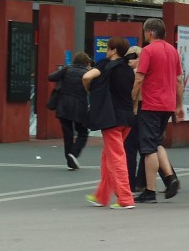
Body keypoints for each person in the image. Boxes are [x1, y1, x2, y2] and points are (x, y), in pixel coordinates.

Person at [132, 18, 183, 203]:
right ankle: (170, 178)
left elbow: (139, 79)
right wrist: (179, 104)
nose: (144, 35)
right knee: (156, 142)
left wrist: (132, 100)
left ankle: (150, 190)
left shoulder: (148, 51)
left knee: (148, 148)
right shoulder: (173, 51)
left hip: (151, 104)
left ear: (151, 33)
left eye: (145, 31)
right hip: (168, 104)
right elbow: (178, 80)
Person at [81, 37, 136, 209]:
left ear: (113, 50)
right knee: (108, 157)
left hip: (111, 117)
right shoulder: (128, 69)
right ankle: (101, 196)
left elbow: (86, 76)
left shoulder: (105, 64)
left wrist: (89, 88)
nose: (106, 51)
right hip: (127, 117)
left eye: (108, 49)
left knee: (116, 157)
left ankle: (125, 198)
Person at [48, 51, 92, 170]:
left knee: (68, 133)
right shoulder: (87, 73)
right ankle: (74, 153)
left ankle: (69, 158)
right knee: (82, 132)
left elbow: (51, 77)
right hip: (79, 107)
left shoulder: (67, 69)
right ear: (86, 63)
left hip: (63, 106)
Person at [123, 45, 145, 191]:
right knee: (147, 149)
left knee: (130, 150)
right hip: (148, 113)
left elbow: (132, 94)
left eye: (133, 57)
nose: (129, 61)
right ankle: (142, 181)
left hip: (135, 113)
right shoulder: (149, 72)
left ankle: (131, 183)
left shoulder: (135, 74)